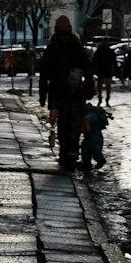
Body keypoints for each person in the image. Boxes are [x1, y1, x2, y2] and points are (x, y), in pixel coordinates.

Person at [38, 15, 92, 169]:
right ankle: (69, 153)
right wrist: (87, 90)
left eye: (64, 34)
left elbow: (44, 74)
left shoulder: (52, 48)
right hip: (70, 93)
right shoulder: (76, 48)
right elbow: (87, 69)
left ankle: (68, 153)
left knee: (67, 123)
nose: (63, 37)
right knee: (70, 123)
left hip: (61, 93)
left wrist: (43, 95)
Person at [80, 92, 110, 174]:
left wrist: (87, 130)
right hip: (92, 134)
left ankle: (98, 160)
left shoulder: (88, 112)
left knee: (93, 148)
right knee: (86, 148)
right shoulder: (90, 110)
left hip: (93, 134)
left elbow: (87, 123)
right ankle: (87, 163)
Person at [91, 38, 117, 106]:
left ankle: (104, 98)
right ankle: (102, 98)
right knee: (103, 85)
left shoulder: (101, 50)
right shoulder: (106, 51)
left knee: (104, 85)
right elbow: (114, 61)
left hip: (104, 69)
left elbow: (94, 60)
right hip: (103, 69)